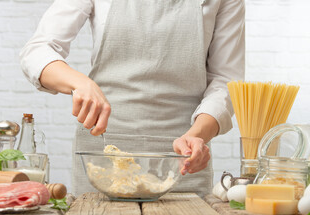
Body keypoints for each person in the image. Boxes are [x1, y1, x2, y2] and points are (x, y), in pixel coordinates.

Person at [20, 0, 245, 197]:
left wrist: (196, 136)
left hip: (183, 159)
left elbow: (225, 80)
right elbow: (38, 50)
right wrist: (80, 83)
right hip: (103, 156)